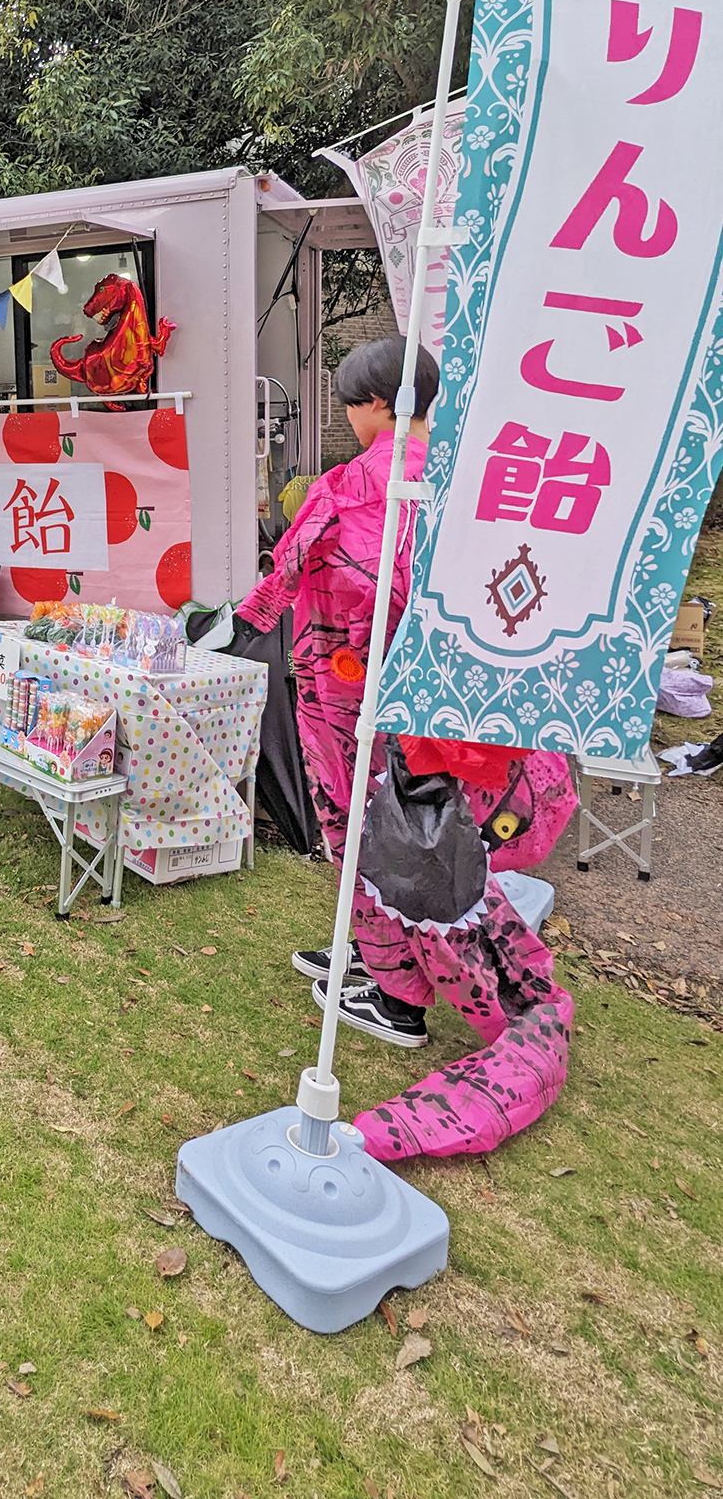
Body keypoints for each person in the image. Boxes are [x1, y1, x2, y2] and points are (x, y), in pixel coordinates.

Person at [234, 334, 577, 1160]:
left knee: (375, 844)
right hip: (444, 709)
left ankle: (398, 998)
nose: (348, 418)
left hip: (351, 699)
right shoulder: (476, 478)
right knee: (422, 840)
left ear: (379, 404)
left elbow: (284, 580)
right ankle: (388, 974)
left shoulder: (352, 487)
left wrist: (235, 631)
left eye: (351, 403)